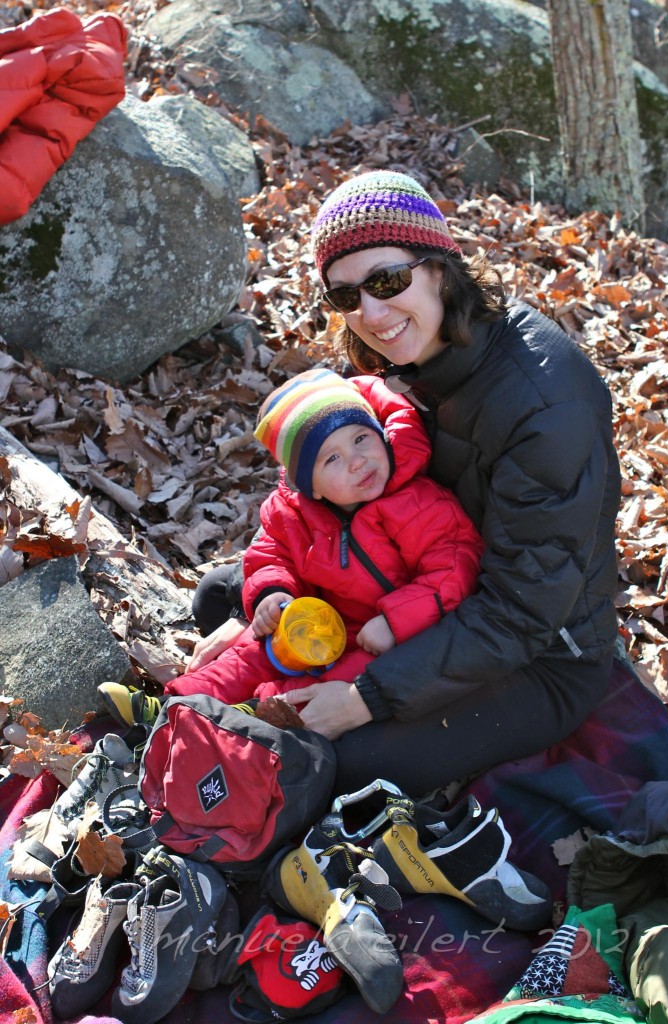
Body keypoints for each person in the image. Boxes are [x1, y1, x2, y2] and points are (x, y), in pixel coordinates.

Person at [182, 169, 623, 798]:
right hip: (400, 582)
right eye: (345, 296)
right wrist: (267, 609)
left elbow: (520, 613)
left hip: (538, 651)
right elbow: (315, 491)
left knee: (351, 762)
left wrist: (366, 697)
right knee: (220, 596)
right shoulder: (400, 358)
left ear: (441, 266)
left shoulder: (545, 405)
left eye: (388, 281)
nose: (371, 313)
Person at [100, 366, 483, 720]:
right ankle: (171, 706)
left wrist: (396, 622)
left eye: (362, 438)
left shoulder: (419, 502)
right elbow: (270, 554)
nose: (357, 461)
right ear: (308, 485)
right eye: (331, 458)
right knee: (249, 654)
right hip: (313, 619)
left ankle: (255, 716)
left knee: (336, 682)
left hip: (380, 638)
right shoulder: (293, 512)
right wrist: (273, 592)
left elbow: (454, 567)